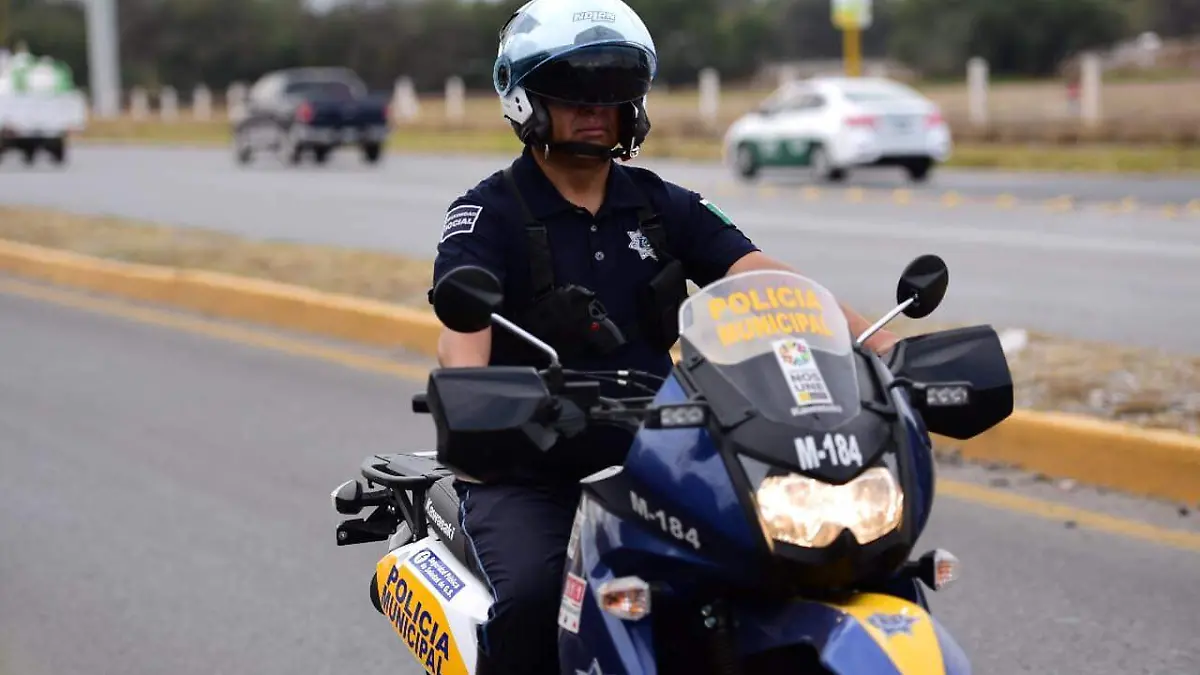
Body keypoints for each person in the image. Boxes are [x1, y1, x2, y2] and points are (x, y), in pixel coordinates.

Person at [427, 1, 900, 672]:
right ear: (527, 97)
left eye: (616, 90)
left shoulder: (661, 204)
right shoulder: (488, 213)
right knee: (533, 600)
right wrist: (478, 400)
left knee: (783, 563)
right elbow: (462, 330)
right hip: (530, 469)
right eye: (578, 90)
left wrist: (882, 349)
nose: (600, 107)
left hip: (661, 456)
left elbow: (766, 279)